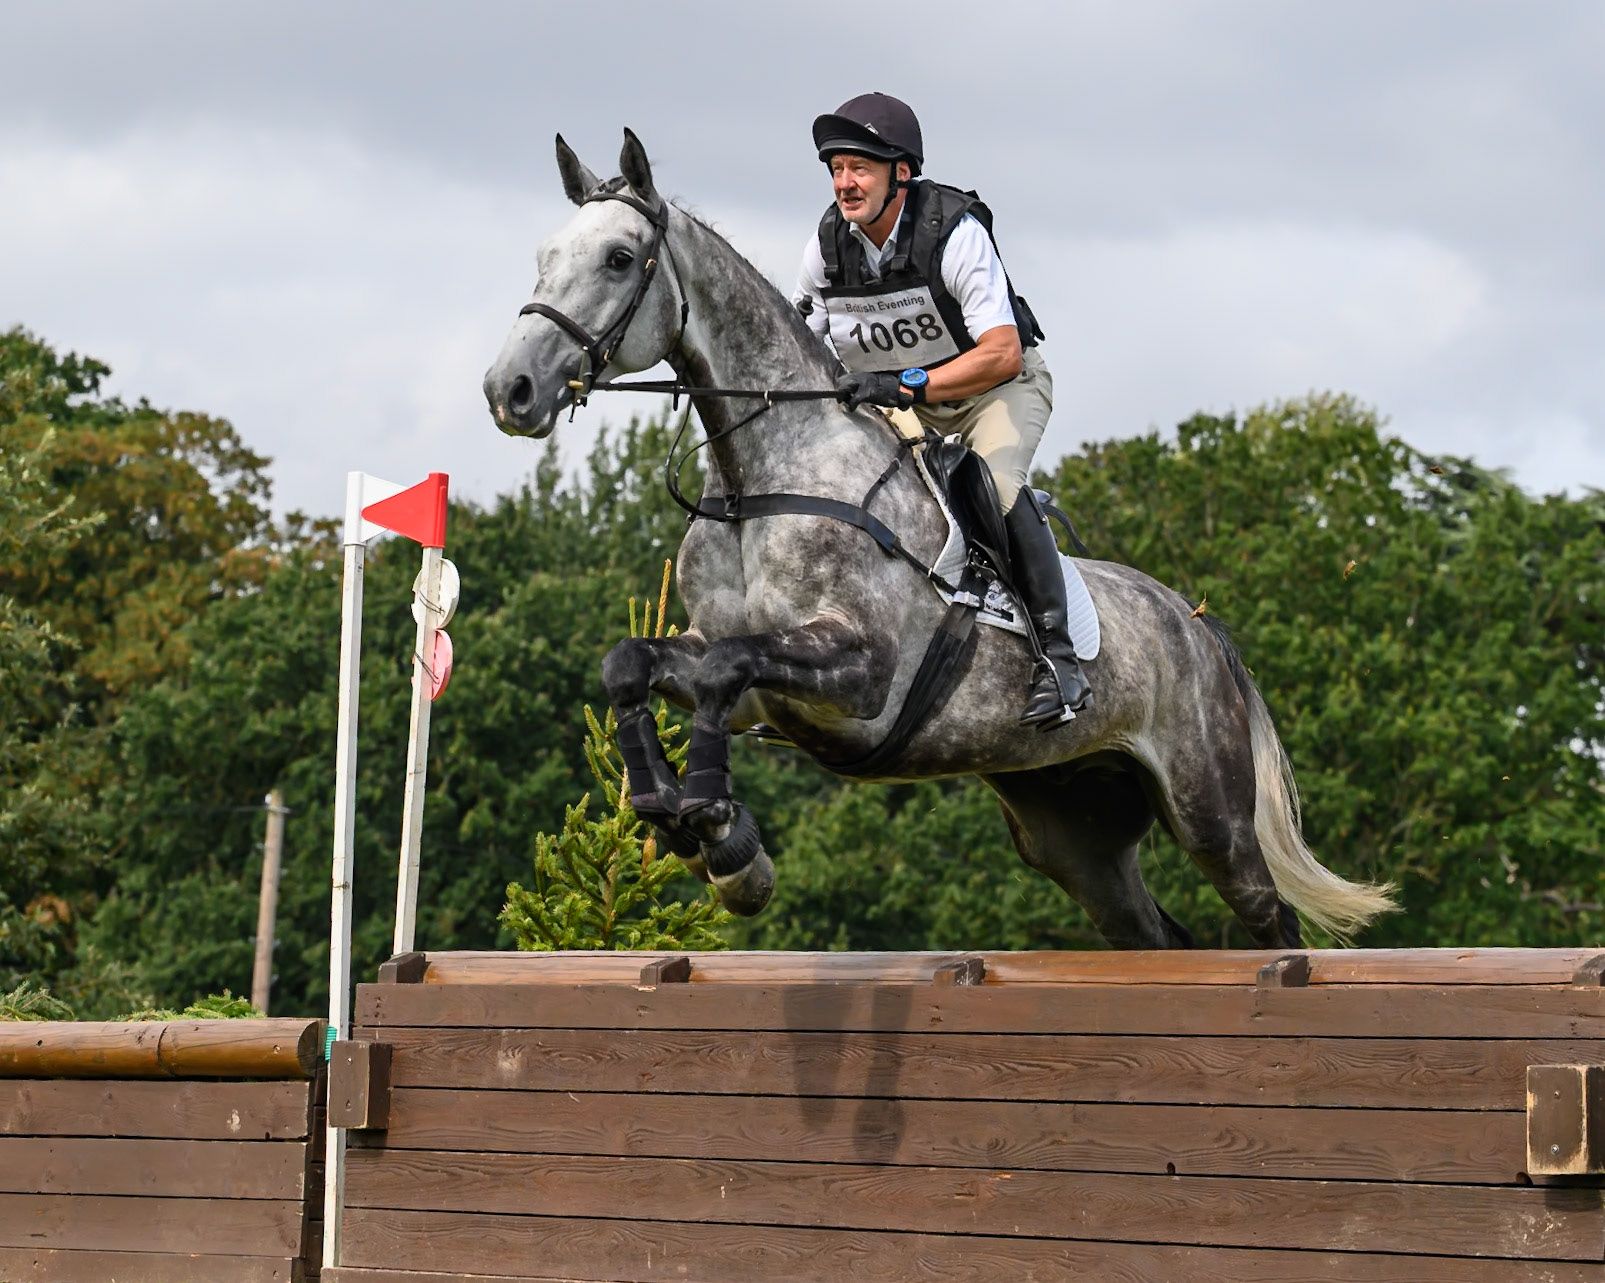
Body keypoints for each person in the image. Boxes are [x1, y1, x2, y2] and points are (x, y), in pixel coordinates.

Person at [792, 92, 1091, 725]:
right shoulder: (827, 244)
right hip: (907, 403)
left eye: (860, 168)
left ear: (901, 171)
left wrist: (904, 383)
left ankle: (1060, 663)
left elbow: (1003, 354)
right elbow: (799, 340)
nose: (844, 183)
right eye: (837, 169)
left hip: (993, 393)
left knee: (994, 490)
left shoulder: (954, 233)